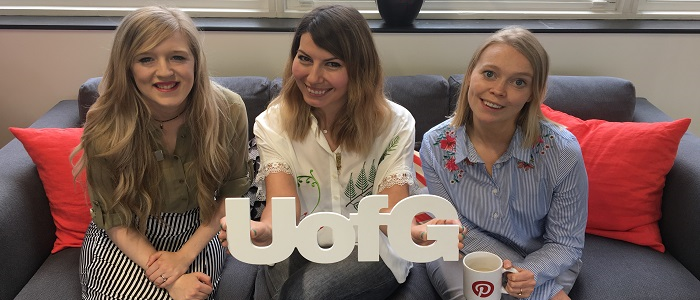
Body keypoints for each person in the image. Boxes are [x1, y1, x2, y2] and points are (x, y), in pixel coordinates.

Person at [218, 5, 464, 300]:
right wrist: (261, 232)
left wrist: (415, 233)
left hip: (372, 247)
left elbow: (389, 211)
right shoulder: (273, 123)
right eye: (304, 59)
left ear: (359, 69)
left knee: (303, 295)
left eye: (332, 64)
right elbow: (282, 207)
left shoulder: (394, 124)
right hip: (299, 241)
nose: (312, 77)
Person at [73, 6, 251, 300]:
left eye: (177, 57)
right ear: (127, 67)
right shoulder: (105, 123)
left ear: (195, 61)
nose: (165, 71)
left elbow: (233, 192)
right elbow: (114, 218)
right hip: (127, 235)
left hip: (199, 229)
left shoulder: (229, 109)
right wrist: (170, 280)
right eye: (146, 59)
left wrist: (182, 257)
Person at [419, 26, 588, 300]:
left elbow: (565, 243)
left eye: (518, 82)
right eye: (489, 74)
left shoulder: (562, 150)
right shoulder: (435, 145)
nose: (498, 90)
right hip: (462, 252)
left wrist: (529, 275)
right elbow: (458, 230)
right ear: (471, 75)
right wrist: (539, 288)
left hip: (543, 262)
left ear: (534, 92)